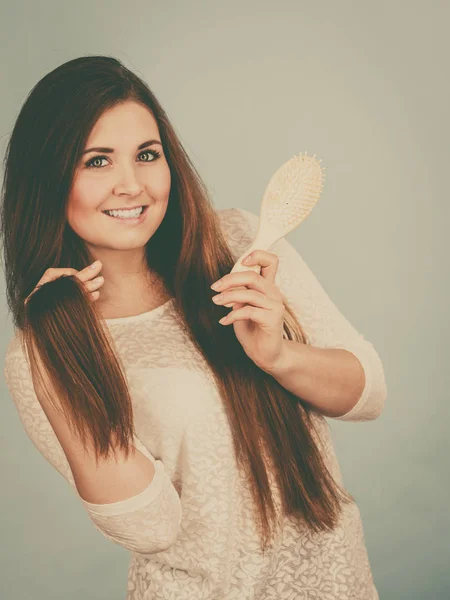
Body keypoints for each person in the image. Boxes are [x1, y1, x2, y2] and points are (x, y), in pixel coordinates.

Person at [2, 55, 387, 600]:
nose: (131, 185)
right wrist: (62, 352)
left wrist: (278, 355)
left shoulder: (240, 243)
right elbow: (151, 526)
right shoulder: (39, 352)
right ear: (48, 180)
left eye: (146, 155)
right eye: (97, 162)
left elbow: (367, 392)